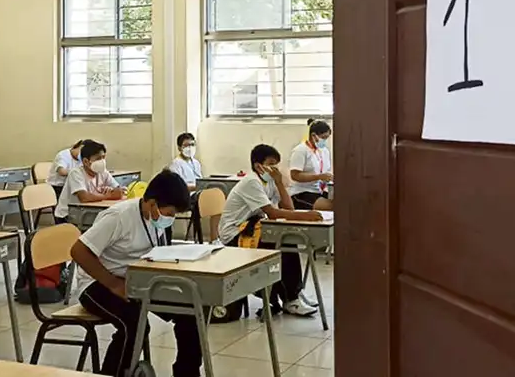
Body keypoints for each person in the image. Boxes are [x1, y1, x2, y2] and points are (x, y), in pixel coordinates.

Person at [71, 170, 198, 377]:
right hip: (98, 282)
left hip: (136, 280)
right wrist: (112, 284)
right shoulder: (118, 217)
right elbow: (78, 251)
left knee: (189, 311)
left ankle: (187, 373)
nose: (171, 218)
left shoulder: (155, 218)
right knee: (135, 323)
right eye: (170, 213)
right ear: (152, 202)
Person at [219, 144, 322, 317]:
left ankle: (292, 293)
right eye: (271, 163)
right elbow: (272, 213)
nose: (275, 168)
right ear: (259, 165)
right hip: (236, 234)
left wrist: (280, 182)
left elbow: (289, 208)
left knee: (287, 240)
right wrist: (307, 216)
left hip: (254, 228)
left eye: (277, 164)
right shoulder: (252, 181)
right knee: (283, 245)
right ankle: (290, 298)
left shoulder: (270, 181)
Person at [54, 139, 124, 224]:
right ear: (86, 162)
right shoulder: (76, 173)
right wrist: (106, 195)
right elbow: (84, 197)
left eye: (103, 157)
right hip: (67, 216)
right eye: (98, 158)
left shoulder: (103, 171)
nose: (102, 161)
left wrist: (104, 194)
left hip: (87, 212)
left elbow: (119, 192)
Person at [288, 120, 333, 211]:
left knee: (343, 203)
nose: (324, 141)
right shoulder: (300, 150)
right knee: (331, 207)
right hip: (302, 192)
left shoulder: (324, 151)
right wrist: (319, 176)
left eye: (327, 138)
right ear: (313, 135)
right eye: (323, 138)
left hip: (319, 190)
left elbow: (326, 171)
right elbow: (295, 175)